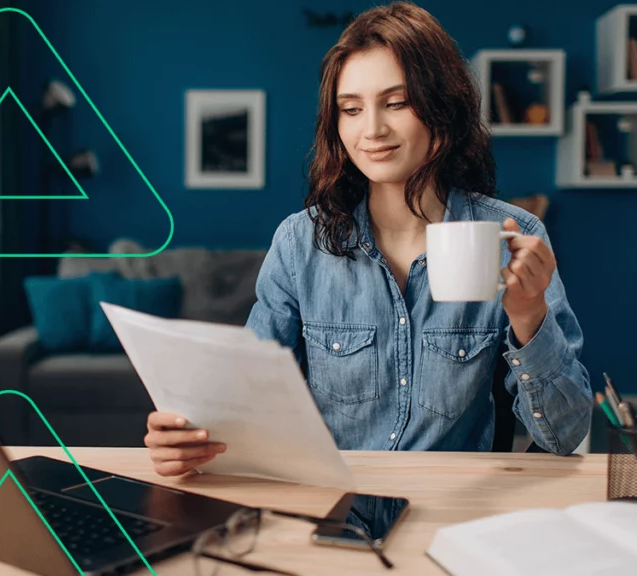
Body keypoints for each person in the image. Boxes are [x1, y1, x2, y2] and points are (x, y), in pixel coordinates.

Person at [144, 1, 592, 477]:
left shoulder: (515, 236)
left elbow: (563, 438)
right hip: (334, 503)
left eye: (396, 103)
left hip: (450, 506)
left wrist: (529, 316)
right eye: (351, 109)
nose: (372, 130)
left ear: (442, 109)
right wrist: (188, 437)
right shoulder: (300, 244)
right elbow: (244, 402)